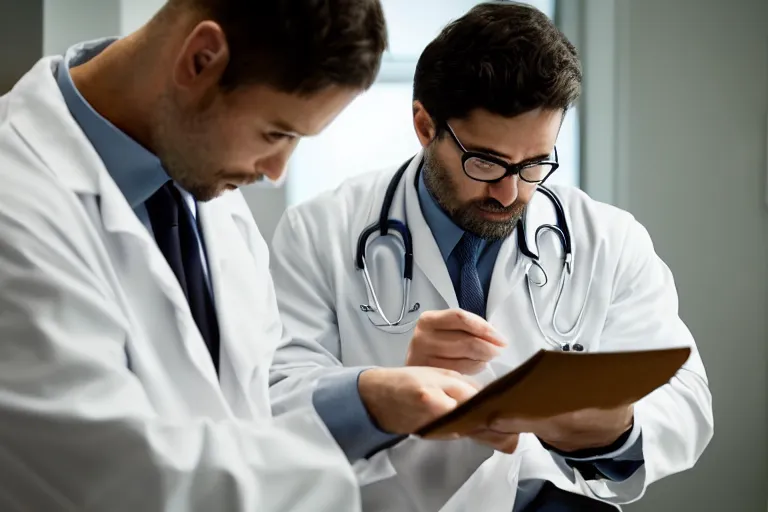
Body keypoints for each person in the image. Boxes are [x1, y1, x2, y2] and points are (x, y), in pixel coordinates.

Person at [0, 1, 486, 510]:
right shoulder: (20, 204)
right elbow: (125, 476)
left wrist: (370, 405)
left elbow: (241, 411)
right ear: (201, 59)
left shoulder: (203, 183)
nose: (276, 170)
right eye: (277, 133)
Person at [268, 2, 714, 511]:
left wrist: (615, 430)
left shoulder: (609, 240)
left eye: (534, 164)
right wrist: (383, 391)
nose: (508, 193)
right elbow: (275, 398)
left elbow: (686, 400)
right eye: (486, 162)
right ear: (423, 125)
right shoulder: (319, 232)